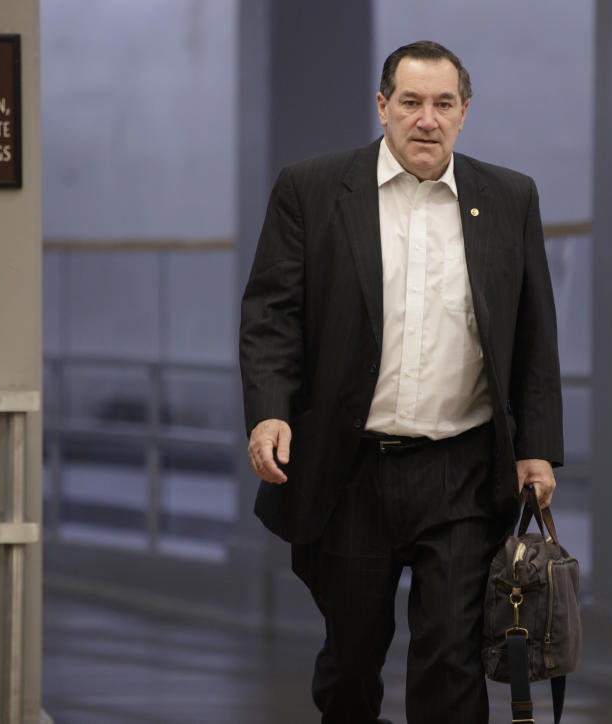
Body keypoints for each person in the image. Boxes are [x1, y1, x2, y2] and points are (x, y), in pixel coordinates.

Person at [239, 40, 563, 724]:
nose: (427, 119)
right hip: (352, 470)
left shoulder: (508, 198)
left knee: (451, 661)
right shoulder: (314, 189)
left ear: (464, 113)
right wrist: (269, 412)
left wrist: (537, 447)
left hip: (462, 473)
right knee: (353, 662)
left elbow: (533, 335)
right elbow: (272, 315)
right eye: (411, 102)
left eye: (443, 104)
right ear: (382, 107)